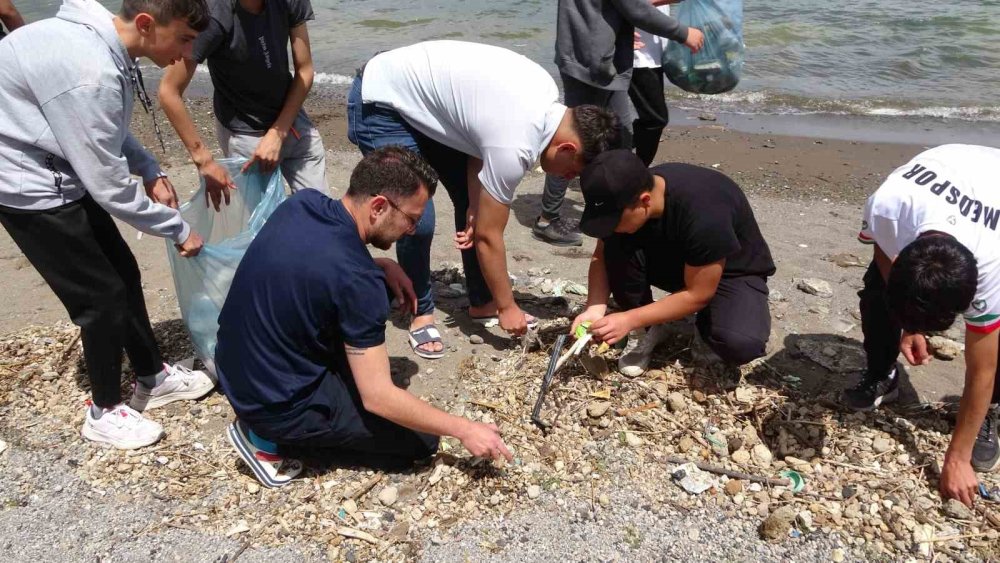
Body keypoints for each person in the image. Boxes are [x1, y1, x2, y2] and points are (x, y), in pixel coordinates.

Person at [216, 147, 513, 487]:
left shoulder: (304, 204)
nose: (413, 230)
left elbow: (313, 266)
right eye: (412, 219)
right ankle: (265, 443)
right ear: (378, 207)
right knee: (419, 442)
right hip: (273, 406)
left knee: (371, 293)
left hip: (232, 362)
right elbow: (378, 396)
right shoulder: (358, 282)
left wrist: (381, 265)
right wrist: (463, 428)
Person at [0, 0, 215, 450]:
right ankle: (102, 412)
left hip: (58, 164)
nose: (185, 54)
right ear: (145, 24)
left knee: (123, 271)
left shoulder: (104, 44)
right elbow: (109, 188)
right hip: (25, 184)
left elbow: (107, 128)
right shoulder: (90, 72)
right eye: (184, 38)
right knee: (99, 299)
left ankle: (152, 378)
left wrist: (150, 167)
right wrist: (176, 229)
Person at [349, 40, 620, 348]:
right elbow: (490, 238)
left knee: (474, 208)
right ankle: (421, 311)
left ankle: (482, 302)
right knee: (414, 217)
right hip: (382, 101)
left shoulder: (546, 95)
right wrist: (509, 308)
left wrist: (476, 204)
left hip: (427, 105)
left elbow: (477, 134)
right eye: (573, 171)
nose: (567, 177)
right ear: (567, 147)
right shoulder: (517, 144)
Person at [847, 144, 1000, 506]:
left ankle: (990, 411)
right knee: (876, 293)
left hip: (990, 192)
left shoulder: (993, 266)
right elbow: (884, 253)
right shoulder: (888, 204)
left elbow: (983, 366)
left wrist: (957, 459)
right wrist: (908, 326)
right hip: (948, 167)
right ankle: (883, 374)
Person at [571, 150, 775, 377]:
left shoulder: (704, 210)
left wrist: (628, 319)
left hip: (731, 270)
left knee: (739, 343)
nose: (610, 228)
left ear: (644, 201)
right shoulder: (625, 192)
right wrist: (594, 307)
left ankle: (704, 325)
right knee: (616, 246)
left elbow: (699, 294)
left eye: (613, 221)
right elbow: (601, 255)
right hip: (678, 259)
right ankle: (649, 328)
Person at [532, 0, 704, 247]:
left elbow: (608, 10)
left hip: (596, 57)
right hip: (590, 64)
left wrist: (617, 32)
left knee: (621, 137)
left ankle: (625, 209)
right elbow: (636, 7)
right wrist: (684, 33)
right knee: (574, 141)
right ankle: (548, 219)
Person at [159, 0, 327, 212]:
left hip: (291, 120)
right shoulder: (213, 14)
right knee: (266, 227)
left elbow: (305, 70)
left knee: (321, 214)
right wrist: (204, 160)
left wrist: (278, 133)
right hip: (245, 132)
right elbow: (169, 91)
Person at [630, 1, 674, 166]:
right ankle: (636, 173)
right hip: (637, 56)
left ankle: (627, 160)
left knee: (653, 119)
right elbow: (630, 4)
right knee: (655, 119)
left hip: (652, 54)